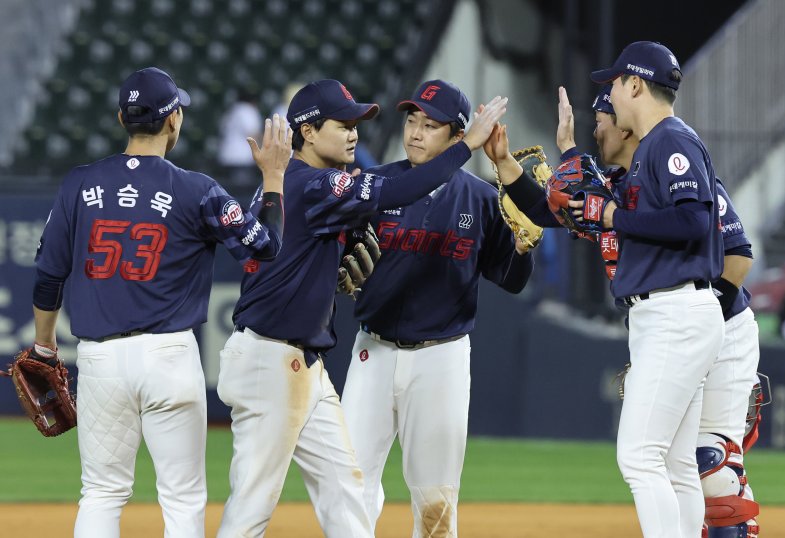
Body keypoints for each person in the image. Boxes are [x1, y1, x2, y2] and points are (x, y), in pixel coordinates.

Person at [215, 79, 508, 538]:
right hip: (269, 359)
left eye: (356, 125)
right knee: (253, 502)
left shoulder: (292, 182)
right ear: (308, 132)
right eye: (343, 124)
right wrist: (468, 145)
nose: (354, 134)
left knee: (347, 490)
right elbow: (399, 191)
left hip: (302, 363)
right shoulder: (312, 183)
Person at [31, 67, 290, 538]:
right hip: (169, 355)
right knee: (182, 498)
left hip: (100, 359)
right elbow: (265, 247)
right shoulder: (197, 190)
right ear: (174, 120)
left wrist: (45, 347)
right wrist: (273, 177)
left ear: (121, 118)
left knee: (102, 492)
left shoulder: (80, 184)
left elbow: (49, 276)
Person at [561, 84, 762, 538]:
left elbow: (739, 256)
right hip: (673, 322)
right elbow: (557, 207)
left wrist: (691, 339)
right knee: (678, 461)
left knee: (707, 467)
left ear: (626, 126)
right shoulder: (621, 189)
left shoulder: (678, 167)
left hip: (719, 323)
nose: (597, 130)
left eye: (602, 120)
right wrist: (510, 164)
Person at [339, 79, 534, 537]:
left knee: (435, 496)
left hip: (441, 356)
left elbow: (511, 280)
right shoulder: (376, 185)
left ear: (457, 135)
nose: (415, 132)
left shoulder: (482, 200)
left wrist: (523, 248)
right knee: (347, 481)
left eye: (430, 125)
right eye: (412, 120)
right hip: (373, 350)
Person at [217, 88, 264, 199]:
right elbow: (253, 134)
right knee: (241, 195)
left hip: (226, 157)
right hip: (240, 159)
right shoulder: (247, 110)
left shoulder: (232, 110)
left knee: (229, 193)